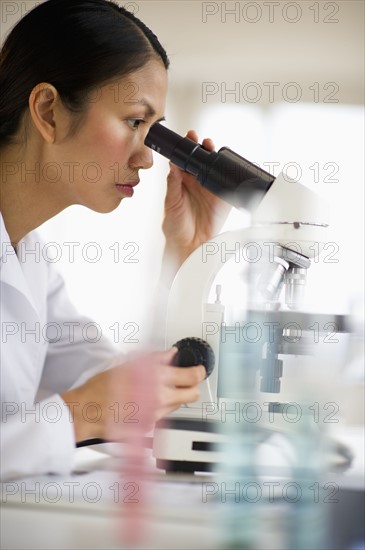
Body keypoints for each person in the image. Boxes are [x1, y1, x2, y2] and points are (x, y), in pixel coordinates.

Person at [0, 0, 229, 480]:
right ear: (48, 110)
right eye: (133, 122)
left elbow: (126, 391)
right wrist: (79, 412)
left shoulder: (29, 260)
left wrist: (186, 255)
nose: (148, 158)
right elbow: (92, 405)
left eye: (155, 131)